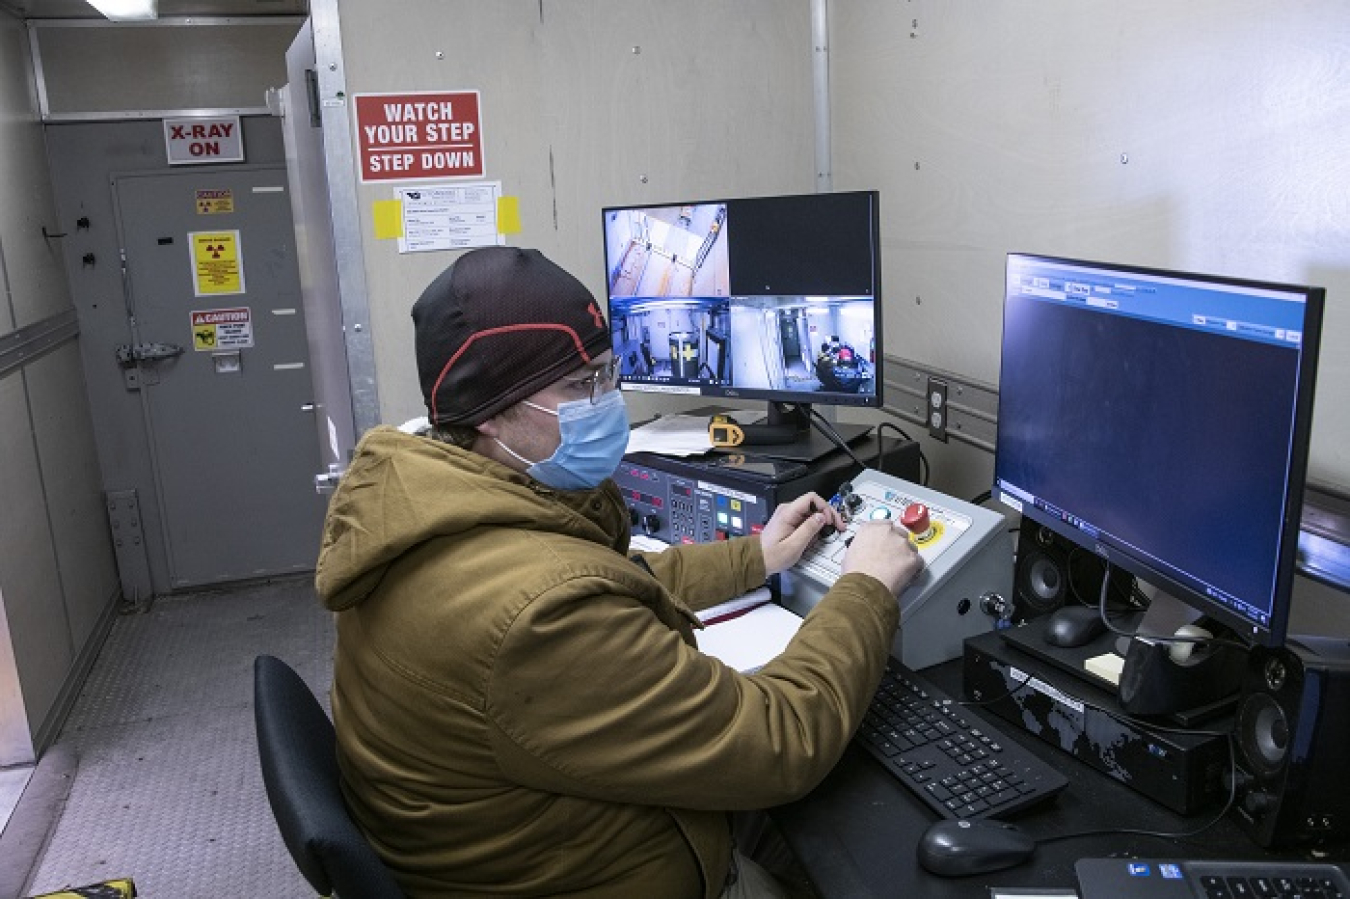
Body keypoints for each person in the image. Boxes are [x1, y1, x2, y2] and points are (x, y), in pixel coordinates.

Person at [316, 246, 924, 898]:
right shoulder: (535, 616)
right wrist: (864, 588)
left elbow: (608, 577)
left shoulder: (431, 501)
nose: (608, 401)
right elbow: (777, 742)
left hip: (547, 836)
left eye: (608, 373)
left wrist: (758, 556)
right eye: (582, 386)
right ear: (489, 413)